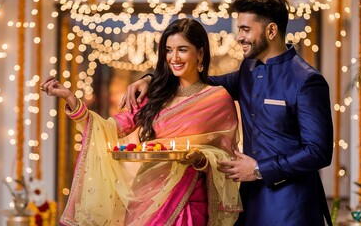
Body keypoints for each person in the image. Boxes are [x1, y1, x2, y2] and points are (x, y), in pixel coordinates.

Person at [120, 0, 333, 226]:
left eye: (245, 29)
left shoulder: (306, 80)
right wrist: (152, 79)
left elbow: (318, 151)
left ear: (271, 31)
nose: (239, 37)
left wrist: (260, 169)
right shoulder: (249, 68)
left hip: (292, 205)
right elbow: (199, 83)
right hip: (250, 201)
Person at [41, 18, 242, 226]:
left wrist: (201, 158)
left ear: (200, 53)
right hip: (147, 197)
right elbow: (114, 128)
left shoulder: (217, 99)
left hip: (190, 198)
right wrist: (72, 100)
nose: (174, 57)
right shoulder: (154, 94)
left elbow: (227, 156)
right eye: (168, 50)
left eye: (182, 49)